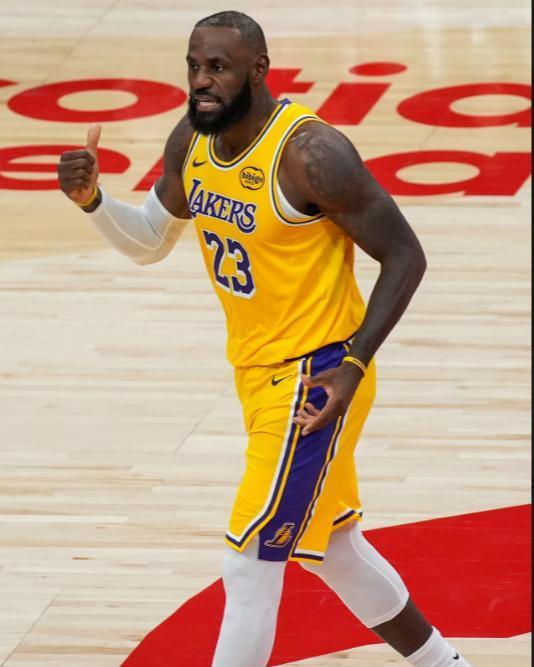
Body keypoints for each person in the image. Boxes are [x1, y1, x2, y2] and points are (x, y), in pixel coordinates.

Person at [57, 10, 473, 667]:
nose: (201, 81)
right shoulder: (192, 140)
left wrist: (354, 364)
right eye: (194, 66)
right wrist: (93, 201)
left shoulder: (311, 154)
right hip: (256, 376)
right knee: (334, 550)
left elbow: (405, 255)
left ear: (258, 71)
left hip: (317, 378)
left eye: (217, 68)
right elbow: (149, 241)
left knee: (249, 562)